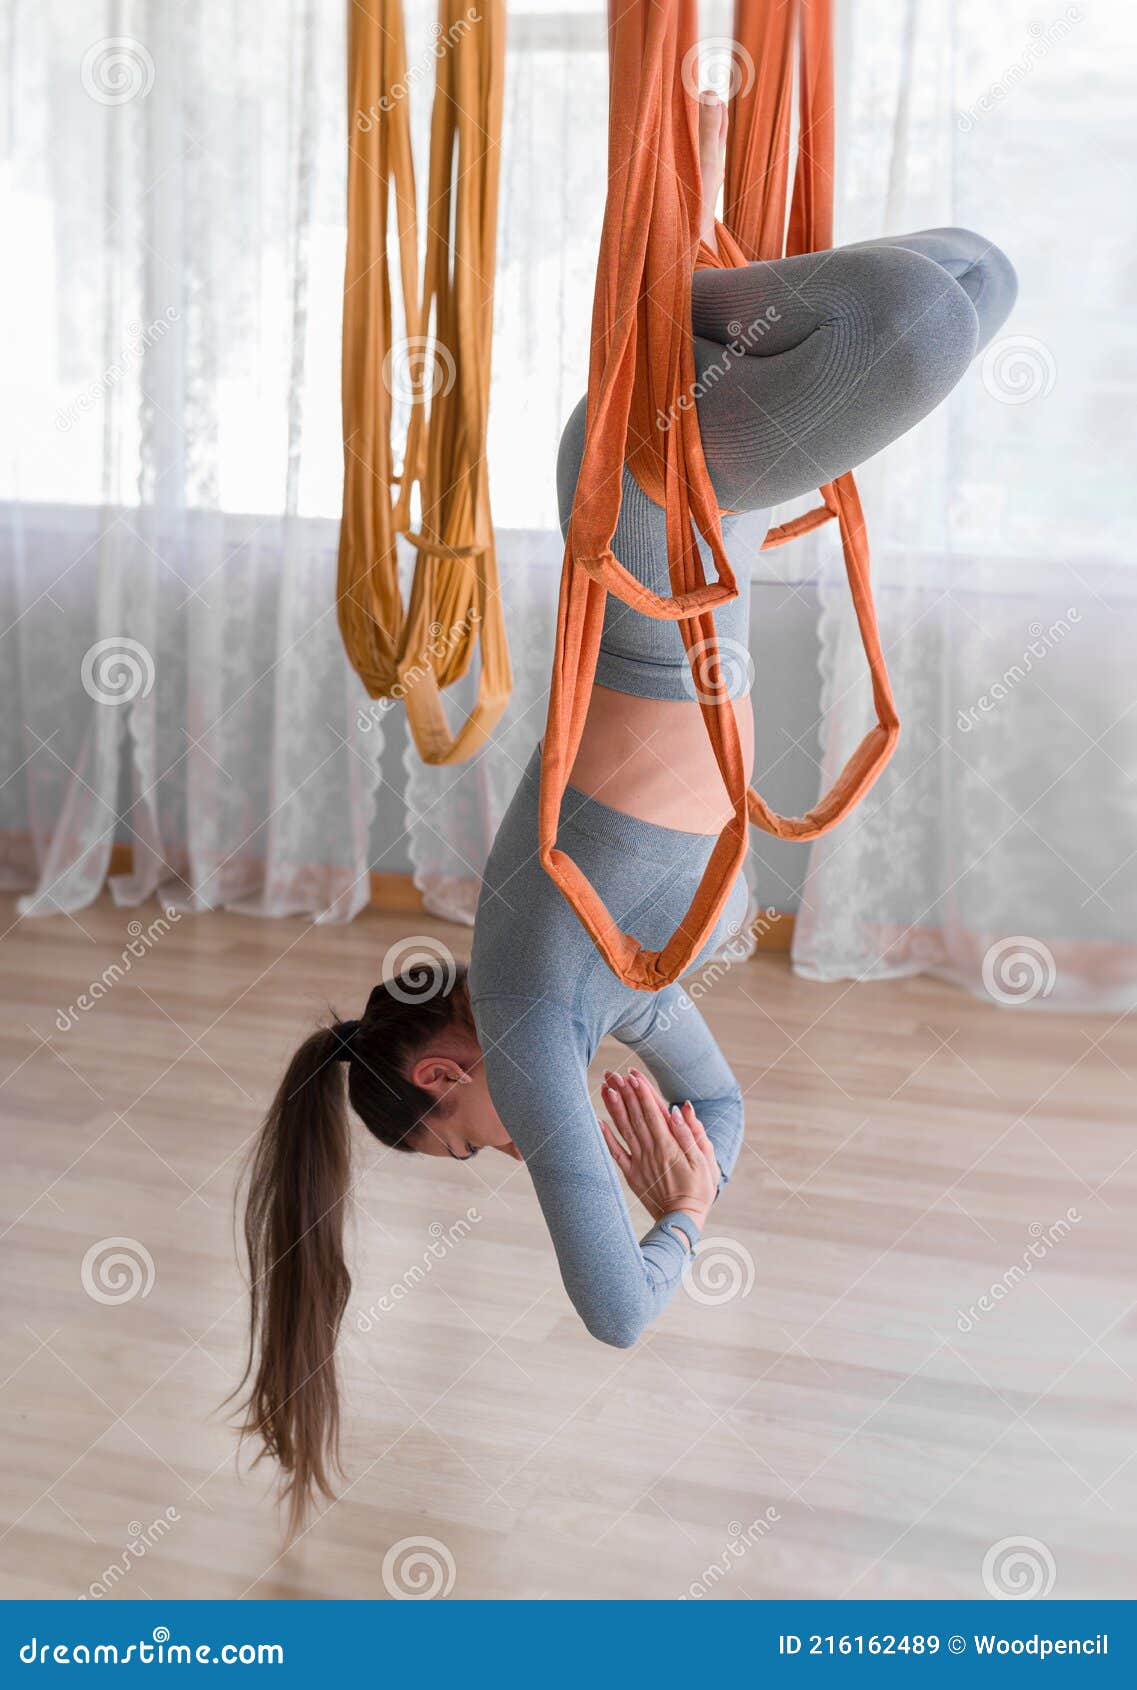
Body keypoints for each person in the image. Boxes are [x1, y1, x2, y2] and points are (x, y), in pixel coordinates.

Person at [235, 92, 1017, 1531]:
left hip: (647, 505)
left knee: (919, 316)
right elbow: (716, 1100)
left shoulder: (537, 1017)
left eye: (467, 1143)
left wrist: (682, 1212)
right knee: (981, 274)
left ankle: (668, 297)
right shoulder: (602, 1005)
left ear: (440, 1077)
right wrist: (695, 1153)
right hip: (660, 490)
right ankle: (676, 309)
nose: (510, 1147)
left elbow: (613, 1311)